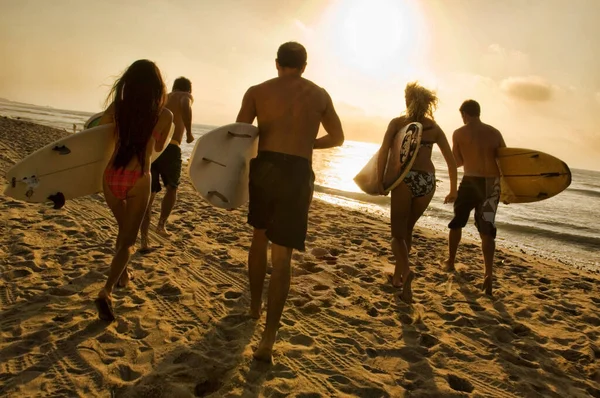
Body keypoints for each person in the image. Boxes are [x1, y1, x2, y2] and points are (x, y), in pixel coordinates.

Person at [235, 41, 344, 362]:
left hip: (265, 166)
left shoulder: (257, 91)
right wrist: (308, 141)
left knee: (258, 237)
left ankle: (254, 306)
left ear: (277, 63)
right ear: (304, 66)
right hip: (297, 171)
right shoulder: (320, 94)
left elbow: (240, 135)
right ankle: (268, 339)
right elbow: (338, 137)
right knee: (282, 257)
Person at [94, 60, 173, 322]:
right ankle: (106, 291)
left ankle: (123, 276)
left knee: (123, 229)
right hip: (139, 177)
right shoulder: (164, 115)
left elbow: (95, 132)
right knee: (128, 242)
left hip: (111, 176)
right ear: (157, 87)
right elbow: (160, 144)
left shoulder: (117, 108)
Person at [376, 82, 457, 304]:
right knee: (407, 231)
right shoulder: (435, 128)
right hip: (428, 182)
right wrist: (453, 190)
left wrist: (380, 180)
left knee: (396, 235)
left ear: (407, 100)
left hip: (406, 178)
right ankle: (397, 278)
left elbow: (384, 151)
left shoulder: (398, 123)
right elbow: (451, 162)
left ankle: (407, 271)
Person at [442, 99, 506, 296]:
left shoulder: (459, 133)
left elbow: (457, 162)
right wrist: (508, 191)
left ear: (464, 114)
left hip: (471, 182)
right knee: (487, 229)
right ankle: (488, 274)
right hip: (491, 185)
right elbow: (505, 161)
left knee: (457, 222)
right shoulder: (495, 132)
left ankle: (451, 262)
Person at [140, 77, 194, 249]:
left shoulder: (163, 97)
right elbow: (185, 104)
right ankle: (161, 224)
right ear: (188, 89)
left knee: (150, 192)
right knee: (172, 187)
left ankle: (144, 239)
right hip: (170, 147)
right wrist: (189, 133)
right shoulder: (184, 96)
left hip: (152, 146)